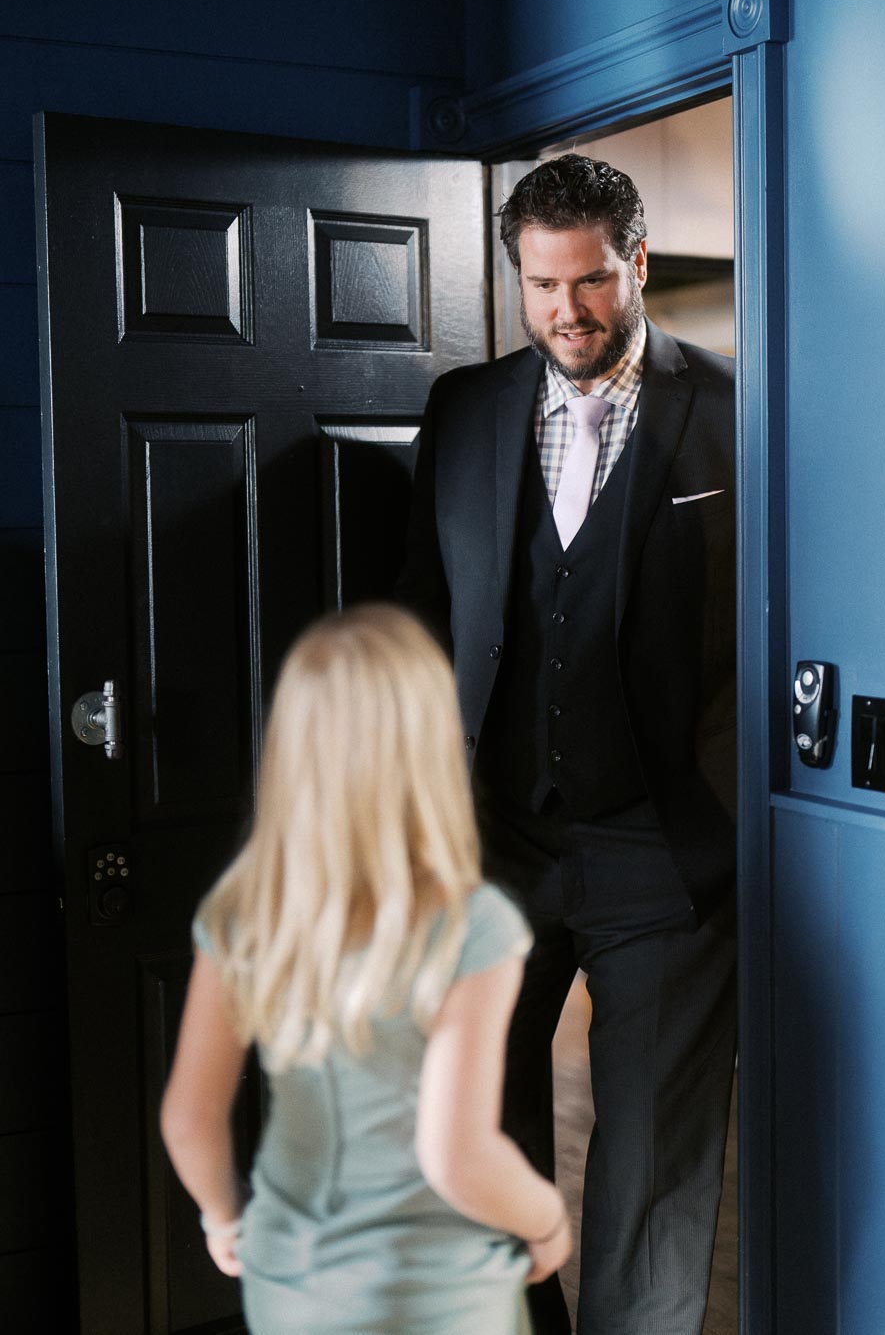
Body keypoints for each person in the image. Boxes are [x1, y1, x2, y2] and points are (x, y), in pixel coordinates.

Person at [396, 154, 737, 1335]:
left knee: (652, 1178)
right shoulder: (466, 409)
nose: (567, 312)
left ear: (636, 263)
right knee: (473, 1135)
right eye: (541, 285)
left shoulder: (735, 407)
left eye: (590, 281)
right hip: (496, 841)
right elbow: (425, 614)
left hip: (664, 853)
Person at [160, 602, 572, 1335]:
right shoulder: (474, 926)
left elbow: (189, 1119)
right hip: (440, 1292)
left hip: (291, 1283)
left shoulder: (245, 913)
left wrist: (222, 1218)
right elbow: (455, 1153)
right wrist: (546, 1220)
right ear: (430, 749)